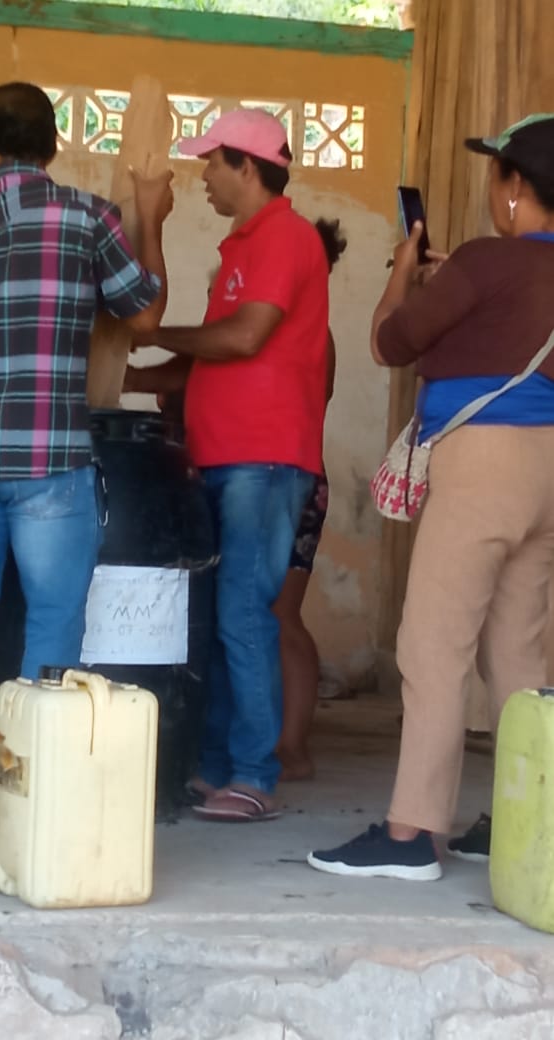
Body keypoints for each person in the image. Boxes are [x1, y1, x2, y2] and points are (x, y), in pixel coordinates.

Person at [307, 113, 554, 879]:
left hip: (484, 467)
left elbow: (390, 341)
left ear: (515, 187)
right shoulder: (493, 271)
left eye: (496, 174)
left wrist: (406, 274)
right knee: (520, 653)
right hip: (548, 470)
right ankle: (524, 822)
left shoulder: (484, 261)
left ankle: (411, 833)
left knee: (432, 644)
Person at [0, 82, 173, 835]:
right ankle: (29, 796)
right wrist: (153, 223)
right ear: (54, 145)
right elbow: (144, 315)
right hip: (48, 457)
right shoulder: (86, 216)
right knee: (54, 625)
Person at [126, 108, 329, 821]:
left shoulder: (285, 236)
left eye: (212, 161)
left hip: (262, 457)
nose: (204, 175)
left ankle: (253, 775)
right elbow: (208, 358)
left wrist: (152, 331)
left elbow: (243, 338)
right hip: (223, 455)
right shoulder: (242, 245)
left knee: (243, 612)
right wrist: (130, 372)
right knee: (218, 615)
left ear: (246, 165)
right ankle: (215, 769)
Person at [274, 218, 346, 782]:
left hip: (293, 478)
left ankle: (294, 746)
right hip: (289, 476)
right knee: (270, 615)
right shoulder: (300, 326)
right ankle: (284, 740)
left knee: (280, 615)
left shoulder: (308, 332)